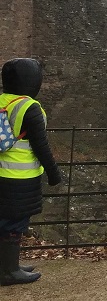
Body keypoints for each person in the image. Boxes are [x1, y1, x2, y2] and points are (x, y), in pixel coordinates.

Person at [0, 58, 61, 286]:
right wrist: (54, 173)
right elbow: (40, 146)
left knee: (4, 221)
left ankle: (6, 265)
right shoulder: (28, 107)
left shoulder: (2, 101)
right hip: (19, 178)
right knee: (14, 224)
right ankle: (9, 271)